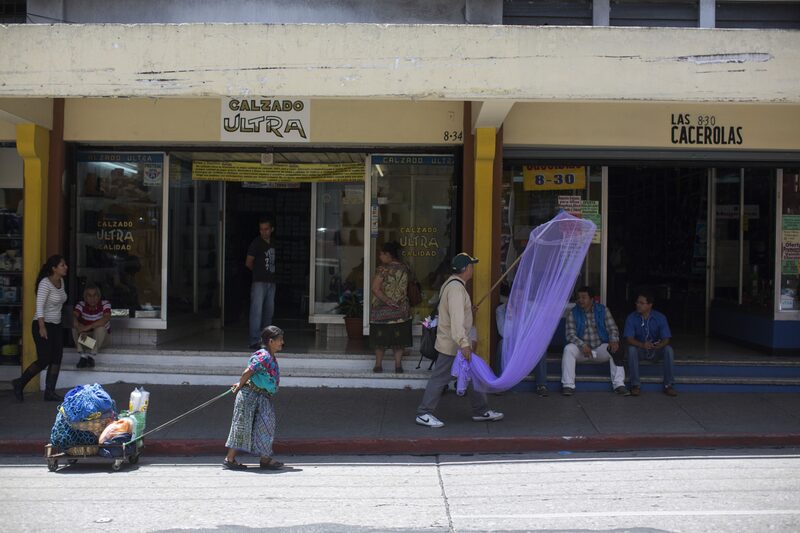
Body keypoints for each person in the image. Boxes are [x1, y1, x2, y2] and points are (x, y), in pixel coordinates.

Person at [415, 253, 504, 428]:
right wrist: (464, 343)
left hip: (453, 341)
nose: (472, 269)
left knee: (471, 376)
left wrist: (468, 310)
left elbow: (453, 312)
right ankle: (423, 413)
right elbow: (456, 319)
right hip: (453, 344)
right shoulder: (457, 289)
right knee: (440, 378)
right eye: (471, 266)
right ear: (466, 269)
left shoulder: (451, 284)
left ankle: (481, 410)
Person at [223, 325, 285, 470]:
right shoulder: (263, 356)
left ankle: (265, 458)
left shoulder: (270, 356)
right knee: (242, 427)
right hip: (249, 395)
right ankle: (229, 459)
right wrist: (239, 385)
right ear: (271, 341)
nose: (282, 342)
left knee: (266, 425)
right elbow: (249, 371)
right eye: (280, 340)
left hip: (262, 396)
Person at [12, 255, 69, 402]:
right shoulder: (45, 283)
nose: (65, 267)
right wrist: (41, 326)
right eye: (62, 265)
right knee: (44, 359)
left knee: (57, 358)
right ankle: (20, 382)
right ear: (54, 268)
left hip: (56, 325)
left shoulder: (61, 281)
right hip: (42, 324)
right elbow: (39, 306)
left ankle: (49, 392)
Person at [561, 286, 628, 396]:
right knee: (568, 349)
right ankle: (568, 385)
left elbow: (613, 328)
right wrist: (582, 345)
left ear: (592, 299)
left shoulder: (602, 310)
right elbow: (570, 335)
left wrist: (613, 340)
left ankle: (619, 385)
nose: (580, 300)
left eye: (584, 297)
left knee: (617, 348)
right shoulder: (573, 312)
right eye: (578, 297)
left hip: (599, 348)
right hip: (582, 351)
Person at [496, 285, 548, 397]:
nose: (519, 300)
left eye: (522, 297)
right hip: (511, 344)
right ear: (510, 297)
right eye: (516, 296)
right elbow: (504, 334)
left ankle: (541, 384)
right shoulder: (501, 310)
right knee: (501, 344)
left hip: (527, 343)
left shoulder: (532, 307)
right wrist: (510, 315)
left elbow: (537, 329)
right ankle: (500, 383)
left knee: (540, 346)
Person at [623, 290, 678, 397]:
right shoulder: (631, 317)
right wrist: (642, 345)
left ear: (650, 305)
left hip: (655, 350)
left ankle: (669, 385)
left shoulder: (660, 317)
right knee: (631, 349)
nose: (638, 305)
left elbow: (666, 338)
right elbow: (628, 338)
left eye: (641, 303)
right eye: (637, 302)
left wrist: (659, 346)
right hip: (640, 350)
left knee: (668, 349)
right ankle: (635, 385)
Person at [369, 242, 412, 374]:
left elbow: (375, 288)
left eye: (382, 253)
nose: (380, 256)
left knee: (380, 340)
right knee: (398, 341)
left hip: (382, 312)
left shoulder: (383, 269)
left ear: (388, 255)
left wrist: (387, 300)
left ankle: (378, 365)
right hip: (401, 310)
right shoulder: (405, 268)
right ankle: (398, 366)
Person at [245, 217, 276, 349]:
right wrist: (258, 272)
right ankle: (254, 340)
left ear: (271, 229)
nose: (264, 232)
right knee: (256, 311)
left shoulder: (273, 243)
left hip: (271, 281)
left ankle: (266, 340)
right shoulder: (256, 243)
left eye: (266, 229)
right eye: (261, 229)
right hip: (259, 282)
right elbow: (248, 262)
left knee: (268, 311)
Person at [72, 284, 112, 368]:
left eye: (95, 295)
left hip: (102, 340)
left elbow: (106, 318)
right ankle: (83, 356)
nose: (92, 298)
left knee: (100, 328)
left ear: (99, 296)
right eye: (89, 296)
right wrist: (81, 330)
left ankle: (91, 356)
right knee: (74, 327)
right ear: (85, 297)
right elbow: (73, 317)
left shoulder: (105, 304)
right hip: (88, 340)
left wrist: (87, 328)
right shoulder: (81, 305)